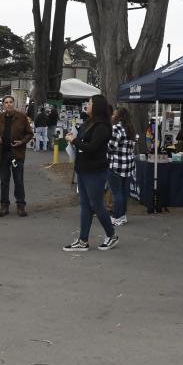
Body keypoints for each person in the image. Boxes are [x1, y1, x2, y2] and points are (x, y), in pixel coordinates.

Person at [63, 94, 118, 252]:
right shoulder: (89, 122)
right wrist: (74, 139)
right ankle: (83, 240)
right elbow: (83, 142)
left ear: (97, 106)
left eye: (90, 102)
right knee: (85, 205)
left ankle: (111, 234)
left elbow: (92, 148)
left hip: (95, 171)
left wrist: (74, 141)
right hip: (83, 168)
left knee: (97, 205)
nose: (87, 104)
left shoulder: (103, 126)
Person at [0, 95, 34, 217]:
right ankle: (4, 206)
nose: (8, 104)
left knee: (18, 181)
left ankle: (21, 205)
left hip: (17, 154)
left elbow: (29, 134)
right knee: (4, 181)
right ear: (3, 105)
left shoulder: (21, 117)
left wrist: (22, 141)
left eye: (10, 102)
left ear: (13, 104)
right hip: (3, 154)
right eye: (6, 102)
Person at [107, 106, 136, 226]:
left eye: (114, 114)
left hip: (116, 164)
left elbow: (110, 147)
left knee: (116, 193)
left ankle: (117, 217)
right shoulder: (131, 129)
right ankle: (122, 215)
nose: (113, 115)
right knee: (124, 192)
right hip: (128, 164)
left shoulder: (116, 128)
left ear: (119, 116)